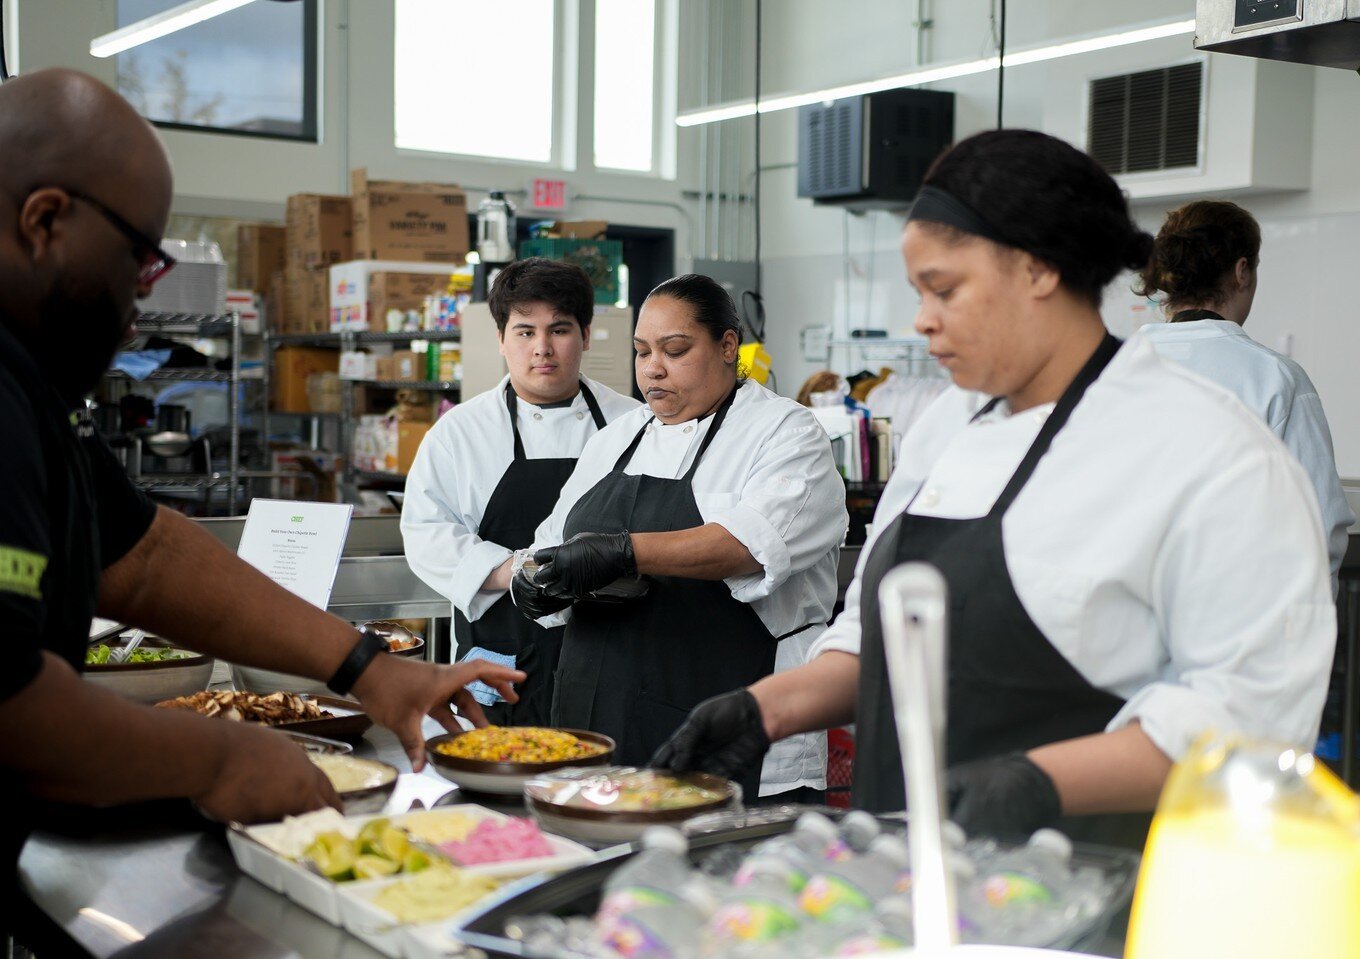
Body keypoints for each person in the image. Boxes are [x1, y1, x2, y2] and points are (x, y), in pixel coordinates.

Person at [652, 130, 1336, 845]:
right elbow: (876, 633)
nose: (921, 319)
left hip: (1084, 883)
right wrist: (767, 708)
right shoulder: (950, 422)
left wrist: (1035, 781)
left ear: (1037, 268)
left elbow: (1250, 715)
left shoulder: (1206, 451)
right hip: (901, 863)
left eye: (942, 289)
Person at [0, 69, 524, 942]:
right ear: (45, 219)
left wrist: (367, 666)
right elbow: (10, 703)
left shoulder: (30, 384)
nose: (142, 306)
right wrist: (222, 755)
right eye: (141, 260)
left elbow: (147, 556)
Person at [513, 274, 847, 801]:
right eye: (642, 351)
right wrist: (532, 580)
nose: (653, 368)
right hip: (600, 717)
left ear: (728, 345)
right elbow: (549, 542)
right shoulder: (617, 439)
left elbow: (745, 546)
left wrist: (622, 553)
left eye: (675, 349)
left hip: (730, 722)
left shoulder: (785, 432)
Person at [401, 258, 638, 724]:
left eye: (560, 330)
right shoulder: (459, 433)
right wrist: (516, 570)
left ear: (586, 336)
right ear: (501, 340)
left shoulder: (633, 424)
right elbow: (425, 533)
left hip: (613, 649)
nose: (542, 349)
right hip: (501, 657)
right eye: (525, 332)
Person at [1134, 199, 1353, 590]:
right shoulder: (1275, 378)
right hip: (1236, 622)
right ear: (1242, 271)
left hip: (1122, 624)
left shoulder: (1111, 368)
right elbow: (1318, 526)